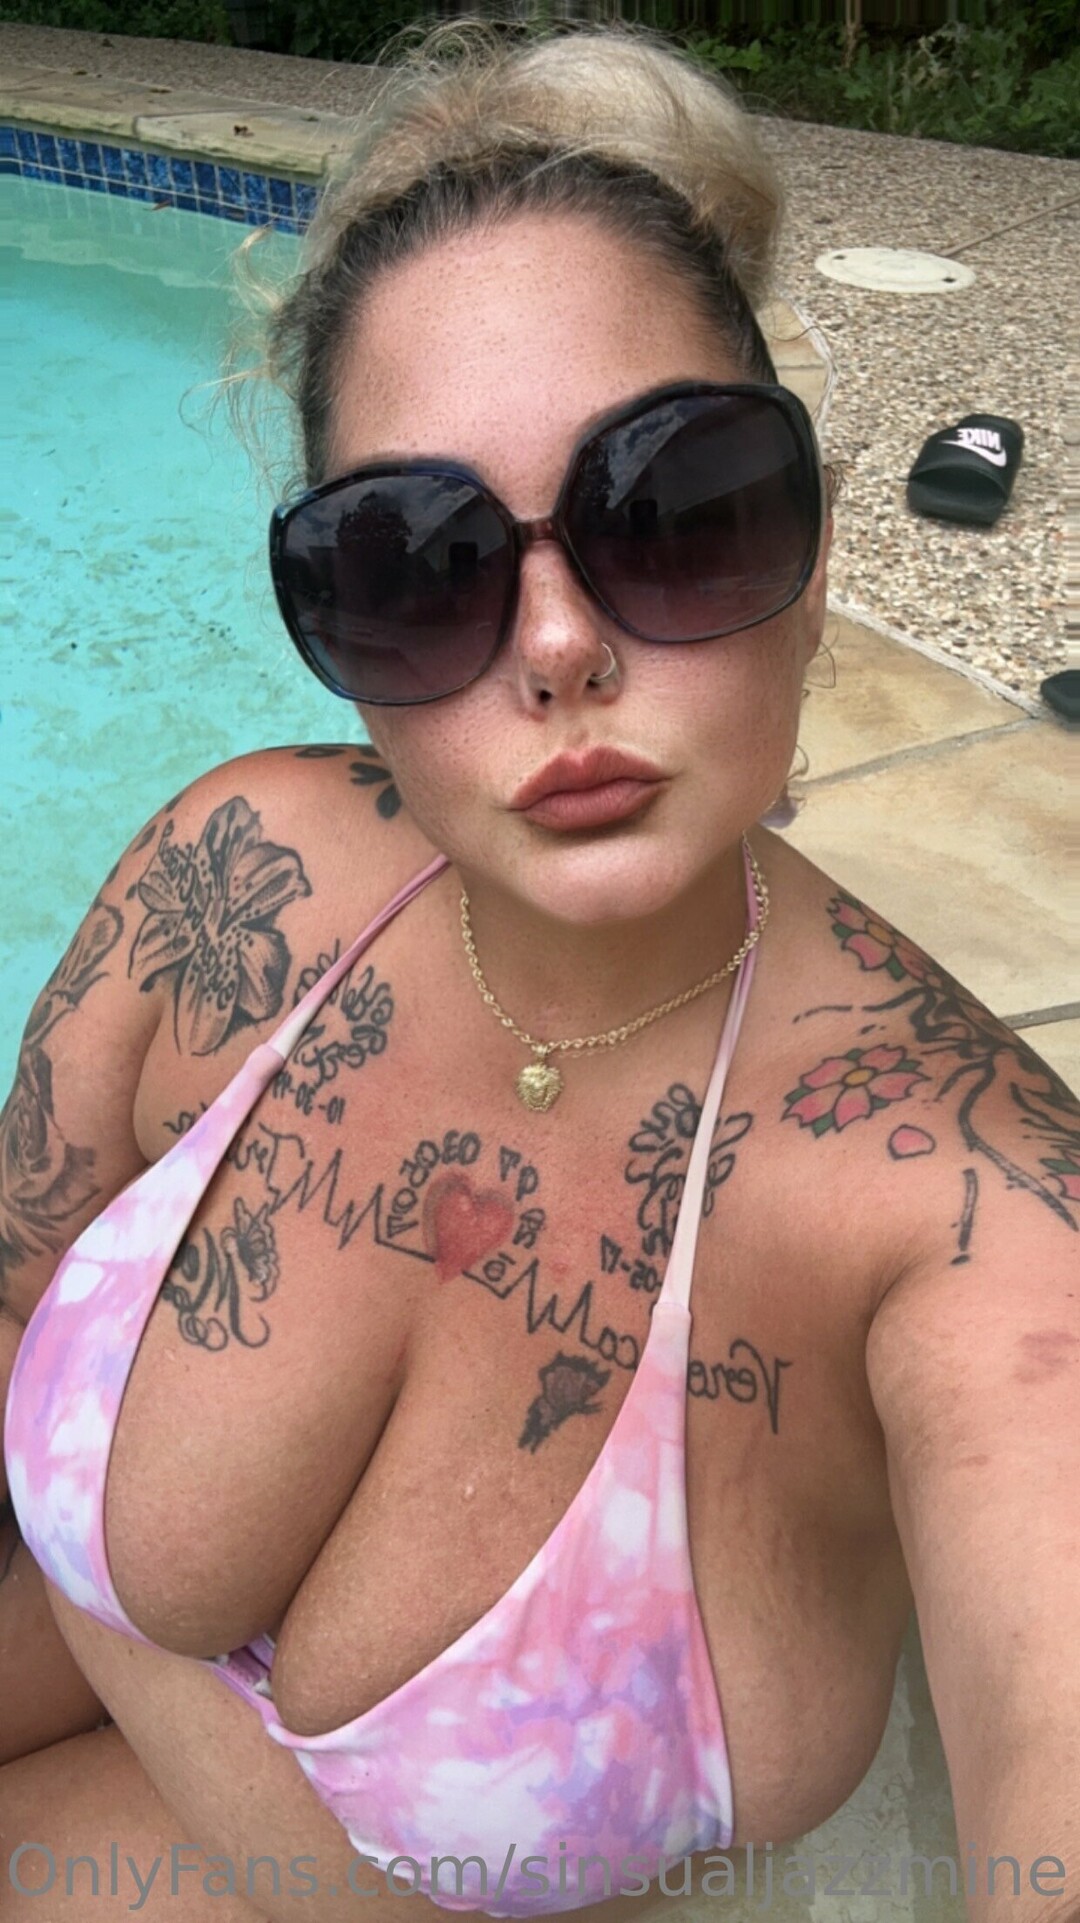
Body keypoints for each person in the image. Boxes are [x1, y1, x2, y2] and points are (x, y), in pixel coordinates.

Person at [1, 18, 1077, 1923]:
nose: (560, 644)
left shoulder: (969, 1214)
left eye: (677, 510)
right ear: (330, 628)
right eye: (414, 564)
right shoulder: (232, 882)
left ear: (817, 547)